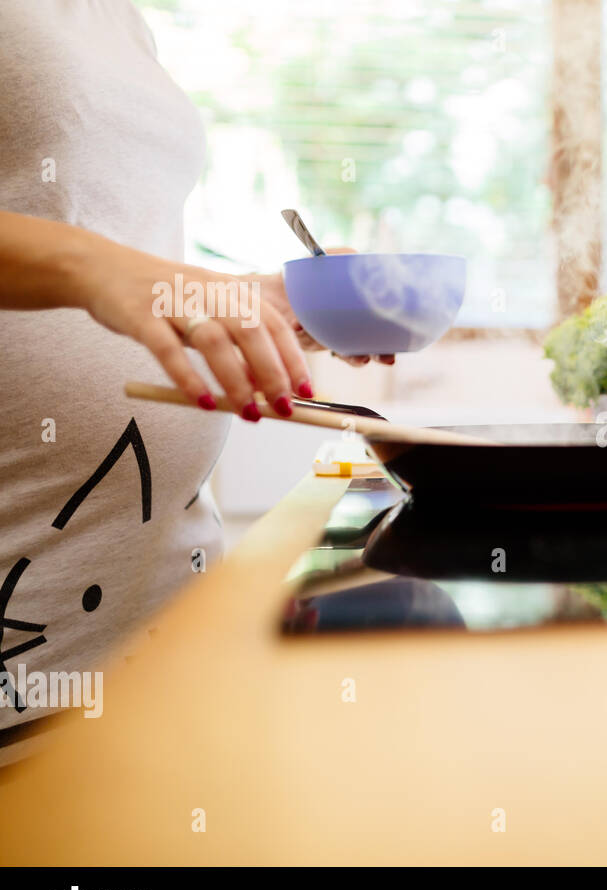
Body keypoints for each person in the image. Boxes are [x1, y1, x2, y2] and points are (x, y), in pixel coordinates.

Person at [0, 0, 384, 750]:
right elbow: (98, 260)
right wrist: (95, 266)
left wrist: (258, 300)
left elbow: (116, 239)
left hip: (161, 633)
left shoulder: (117, 20)